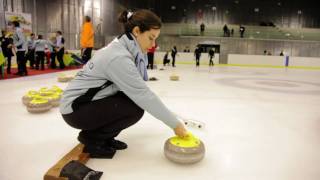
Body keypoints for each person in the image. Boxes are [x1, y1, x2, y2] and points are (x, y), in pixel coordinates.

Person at [60, 9, 188, 159]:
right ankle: (92, 139)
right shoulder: (118, 57)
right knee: (135, 107)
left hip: (84, 104)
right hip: (76, 110)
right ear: (137, 31)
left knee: (131, 102)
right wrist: (175, 125)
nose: (153, 44)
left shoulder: (123, 46)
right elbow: (143, 95)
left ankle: (105, 138)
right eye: (151, 38)